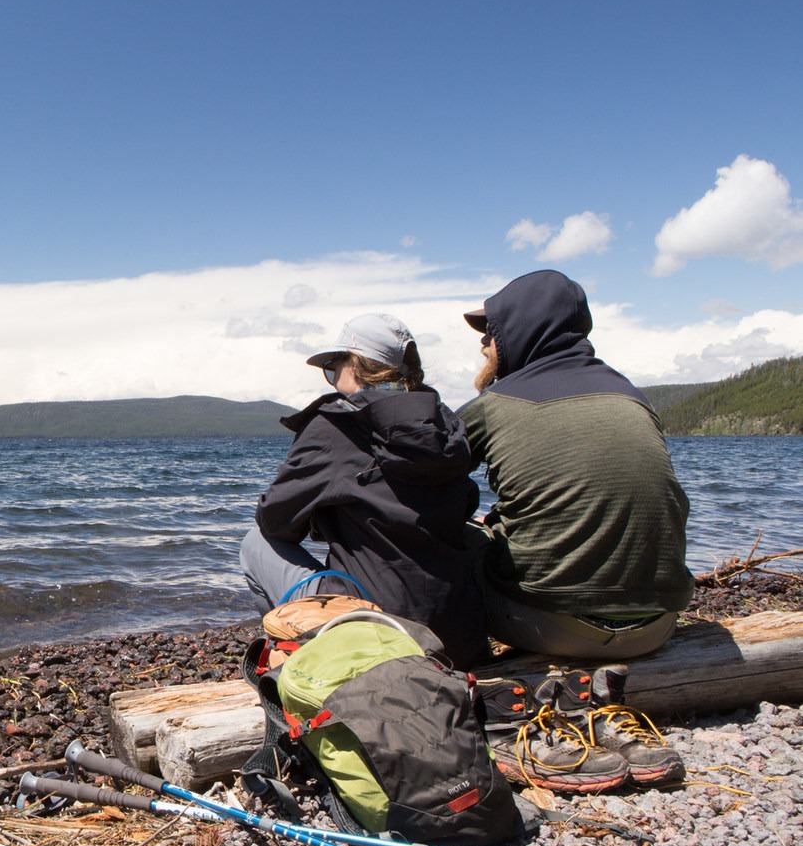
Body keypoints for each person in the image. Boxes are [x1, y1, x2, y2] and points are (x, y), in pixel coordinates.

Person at [460, 269, 692, 659]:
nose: (484, 342)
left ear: (523, 330)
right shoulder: (631, 396)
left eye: (492, 329)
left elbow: (420, 475)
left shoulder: (495, 404)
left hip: (553, 628)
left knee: (449, 536)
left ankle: (452, 657)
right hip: (658, 626)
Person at [240, 313, 490, 668]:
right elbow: (464, 505)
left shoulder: (338, 426)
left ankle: (303, 664)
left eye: (332, 365)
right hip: (458, 640)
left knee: (256, 543)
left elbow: (275, 521)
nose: (331, 376)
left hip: (377, 641)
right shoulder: (447, 425)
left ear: (354, 366)